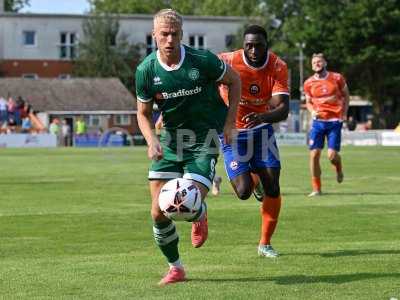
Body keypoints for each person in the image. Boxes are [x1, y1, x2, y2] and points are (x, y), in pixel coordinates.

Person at [135, 9, 241, 286]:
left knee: (186, 201)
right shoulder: (146, 70)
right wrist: (151, 141)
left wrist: (229, 124)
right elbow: (143, 113)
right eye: (164, 34)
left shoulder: (202, 61)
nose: (169, 39)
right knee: (158, 212)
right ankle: (176, 268)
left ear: (182, 34)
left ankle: (199, 212)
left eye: (175, 34)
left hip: (202, 141)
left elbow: (235, 81)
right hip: (170, 140)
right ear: (154, 36)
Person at [218, 25, 289, 258]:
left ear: (266, 44)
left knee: (274, 187)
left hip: (261, 131)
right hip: (233, 132)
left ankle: (265, 244)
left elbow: (283, 109)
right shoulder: (227, 60)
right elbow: (198, 73)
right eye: (249, 45)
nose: (253, 49)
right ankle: (253, 180)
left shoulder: (277, 66)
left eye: (258, 44)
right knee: (243, 191)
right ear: (243, 44)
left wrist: (262, 117)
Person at [304, 53, 350, 197]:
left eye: (319, 61)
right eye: (314, 62)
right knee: (314, 155)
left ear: (325, 63)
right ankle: (316, 189)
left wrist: (344, 114)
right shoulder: (308, 83)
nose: (316, 64)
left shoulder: (337, 78)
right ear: (312, 66)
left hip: (334, 121)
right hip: (318, 122)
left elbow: (346, 96)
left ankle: (338, 167)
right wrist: (312, 112)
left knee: (332, 156)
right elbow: (308, 102)